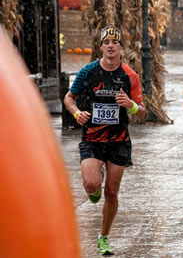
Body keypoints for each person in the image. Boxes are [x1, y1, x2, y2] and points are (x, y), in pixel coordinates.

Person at [64, 25, 146, 255]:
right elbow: (69, 97)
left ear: (121, 47)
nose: (110, 45)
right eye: (106, 42)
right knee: (91, 185)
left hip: (119, 139)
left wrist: (129, 104)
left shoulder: (130, 76)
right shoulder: (88, 72)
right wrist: (76, 113)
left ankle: (104, 236)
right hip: (92, 138)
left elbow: (142, 112)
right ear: (100, 47)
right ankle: (95, 179)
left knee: (112, 192)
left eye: (115, 42)